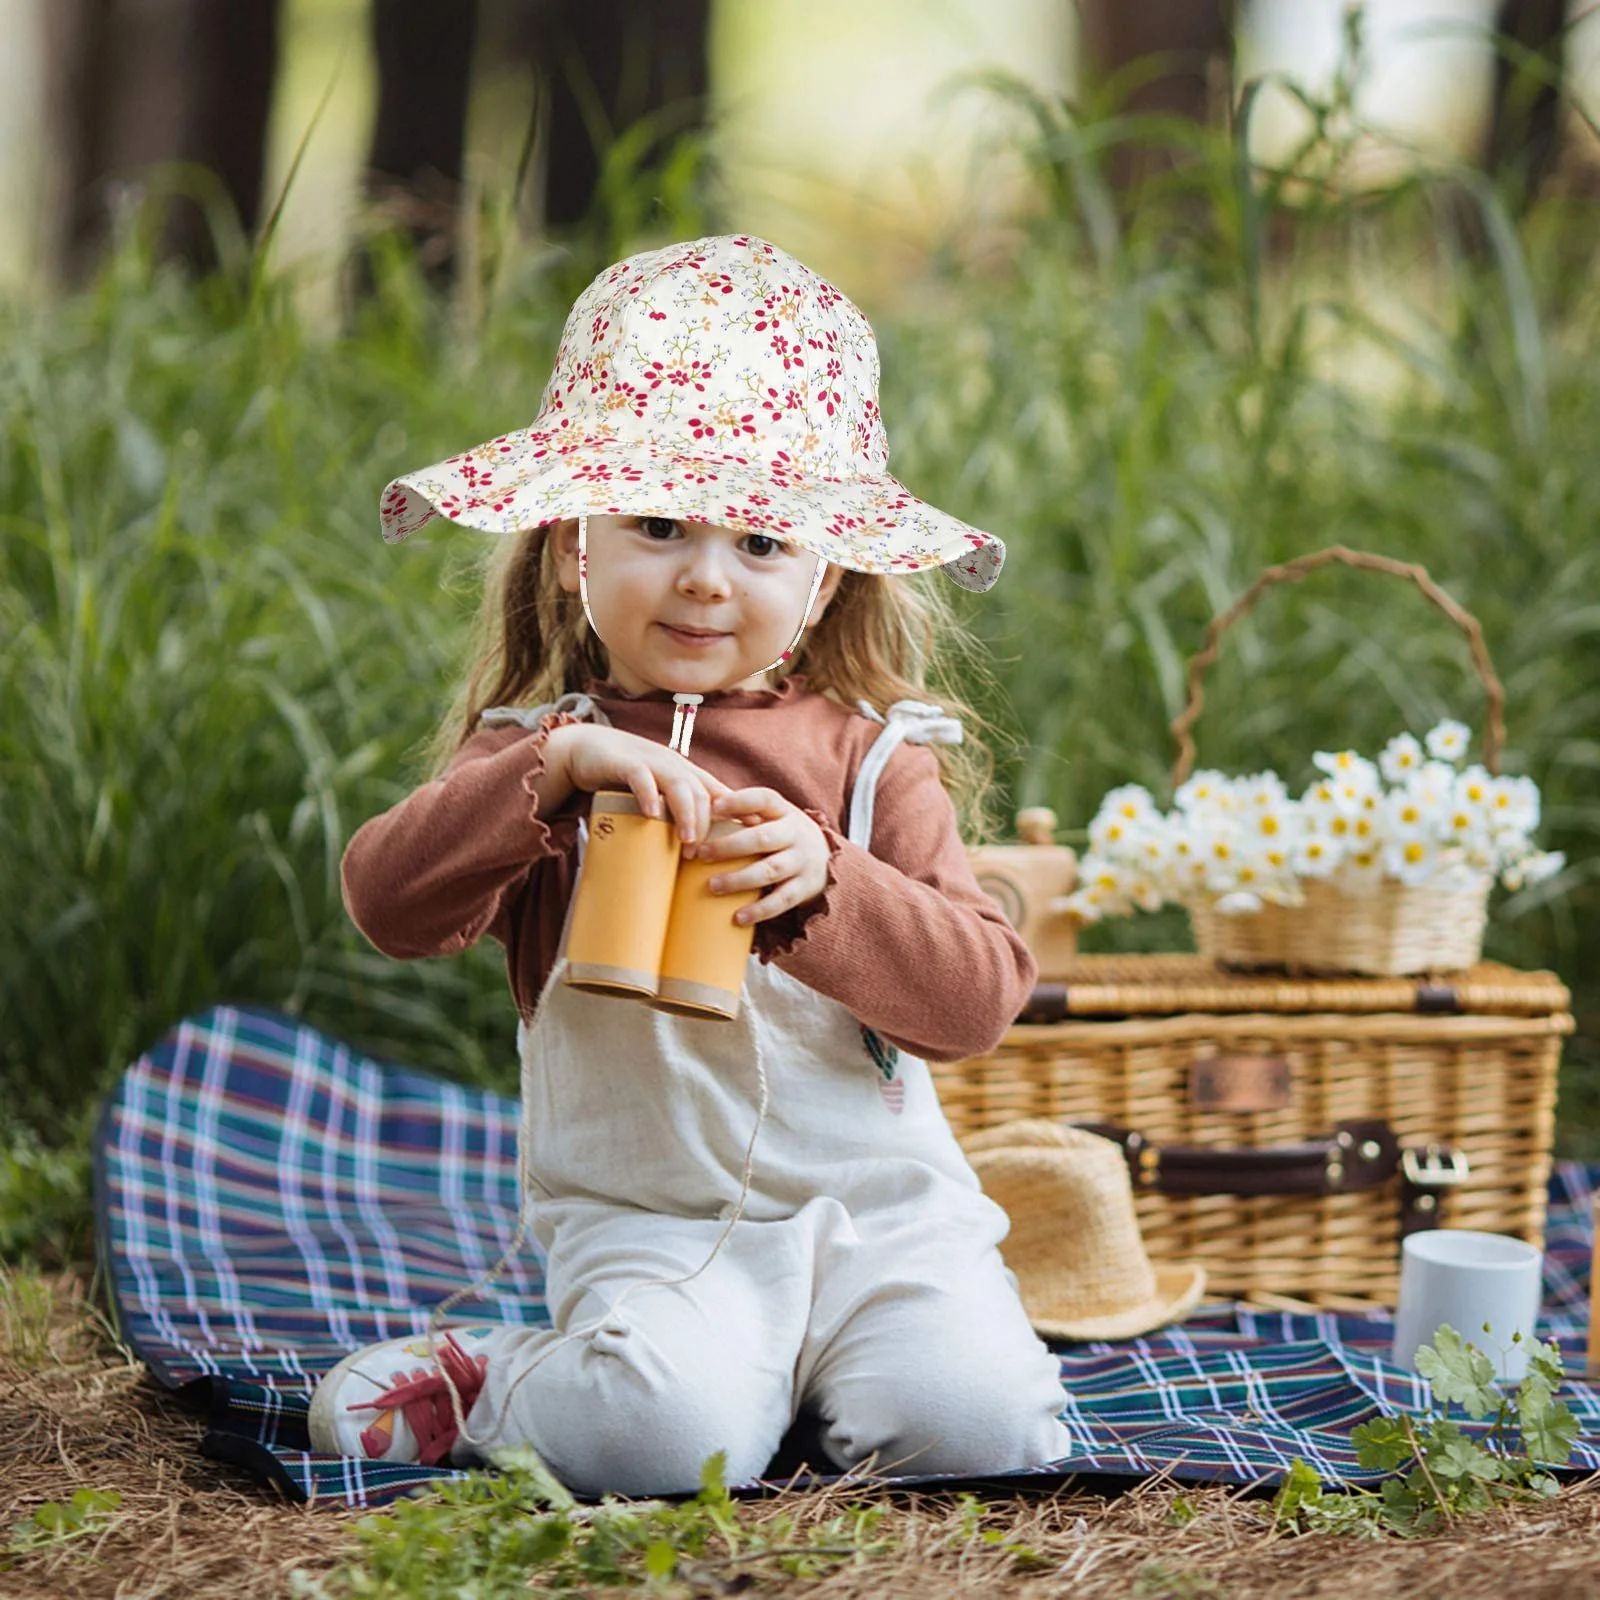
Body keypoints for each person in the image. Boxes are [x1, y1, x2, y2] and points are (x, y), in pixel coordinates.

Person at [306, 233, 1071, 1495]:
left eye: (761, 541)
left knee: (978, 1428)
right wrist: (552, 770)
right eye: (657, 525)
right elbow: (388, 904)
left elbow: (977, 1002)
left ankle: (802, 1381)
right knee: (660, 1441)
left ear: (824, 576)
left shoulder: (875, 761)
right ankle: (489, 1379)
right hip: (653, 1227)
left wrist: (827, 881)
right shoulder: (538, 754)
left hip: (886, 1220)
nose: (707, 578)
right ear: (574, 547)